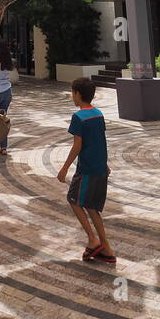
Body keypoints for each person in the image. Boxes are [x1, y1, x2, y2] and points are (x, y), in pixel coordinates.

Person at [57, 77, 115, 263]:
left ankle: (92, 240)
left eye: (72, 92)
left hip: (87, 170)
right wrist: (105, 164)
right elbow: (101, 141)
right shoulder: (98, 114)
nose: (71, 96)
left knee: (73, 200)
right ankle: (107, 248)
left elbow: (77, 146)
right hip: (100, 168)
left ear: (78, 94)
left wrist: (64, 168)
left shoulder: (78, 117)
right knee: (92, 207)